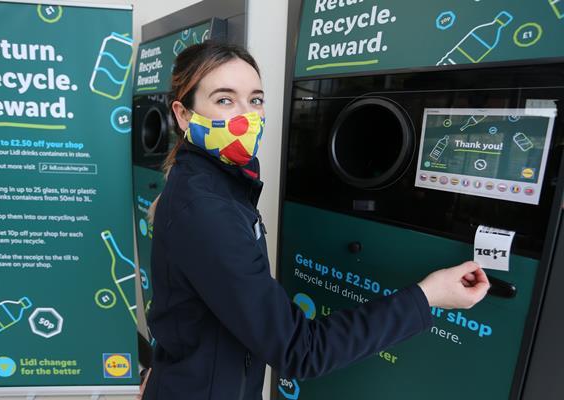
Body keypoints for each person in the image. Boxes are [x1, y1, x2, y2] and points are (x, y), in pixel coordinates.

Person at [142, 41, 490, 400]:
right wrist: (428, 296)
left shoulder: (211, 182)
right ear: (184, 115)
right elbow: (301, 350)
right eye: (225, 100)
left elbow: (183, 309)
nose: (247, 116)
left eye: (256, 99)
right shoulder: (207, 209)